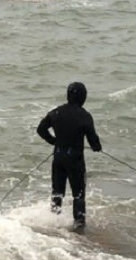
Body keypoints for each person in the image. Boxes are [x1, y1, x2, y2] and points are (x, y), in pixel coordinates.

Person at [36, 82, 102, 230]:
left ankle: (53, 222)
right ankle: (79, 225)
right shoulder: (84, 116)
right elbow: (93, 140)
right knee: (78, 195)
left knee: (57, 192)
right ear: (83, 97)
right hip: (75, 161)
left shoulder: (56, 112)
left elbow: (40, 129)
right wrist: (97, 147)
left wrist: (54, 141)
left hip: (58, 158)